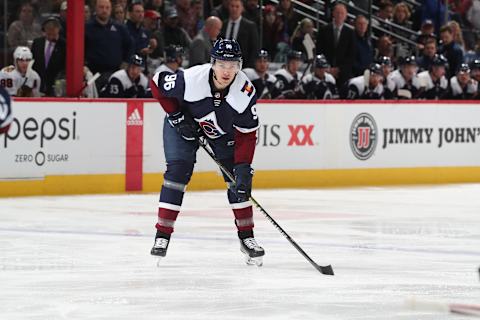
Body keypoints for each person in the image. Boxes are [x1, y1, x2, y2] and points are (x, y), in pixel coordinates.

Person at [149, 39, 265, 265]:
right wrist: (176, 115)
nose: (227, 71)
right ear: (212, 63)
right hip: (182, 126)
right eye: (222, 64)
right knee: (177, 173)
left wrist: (243, 168)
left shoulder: (245, 92)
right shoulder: (192, 79)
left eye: (232, 65)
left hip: (222, 133)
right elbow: (156, 83)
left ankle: (247, 237)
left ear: (239, 66)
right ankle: (162, 236)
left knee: (236, 181)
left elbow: (247, 134)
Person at [316, 2, 355, 88]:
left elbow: (351, 55)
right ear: (333, 13)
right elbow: (319, 50)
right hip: (325, 71)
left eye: (342, 13)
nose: (339, 15)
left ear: (345, 16)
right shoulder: (324, 30)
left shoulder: (350, 33)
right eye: (337, 13)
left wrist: (338, 69)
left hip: (343, 74)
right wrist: (328, 68)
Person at [31, 16, 66, 96]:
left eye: (53, 33)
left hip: (56, 84)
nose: (51, 36)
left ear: (58, 30)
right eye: (48, 33)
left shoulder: (64, 45)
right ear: (44, 30)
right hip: (38, 83)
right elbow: (33, 63)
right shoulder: (37, 43)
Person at [221, 0, 259, 68]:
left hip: (243, 66)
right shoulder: (223, 24)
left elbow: (254, 48)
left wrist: (249, 67)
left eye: (237, 6)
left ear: (242, 8)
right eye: (232, 6)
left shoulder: (250, 26)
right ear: (228, 7)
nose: (234, 9)